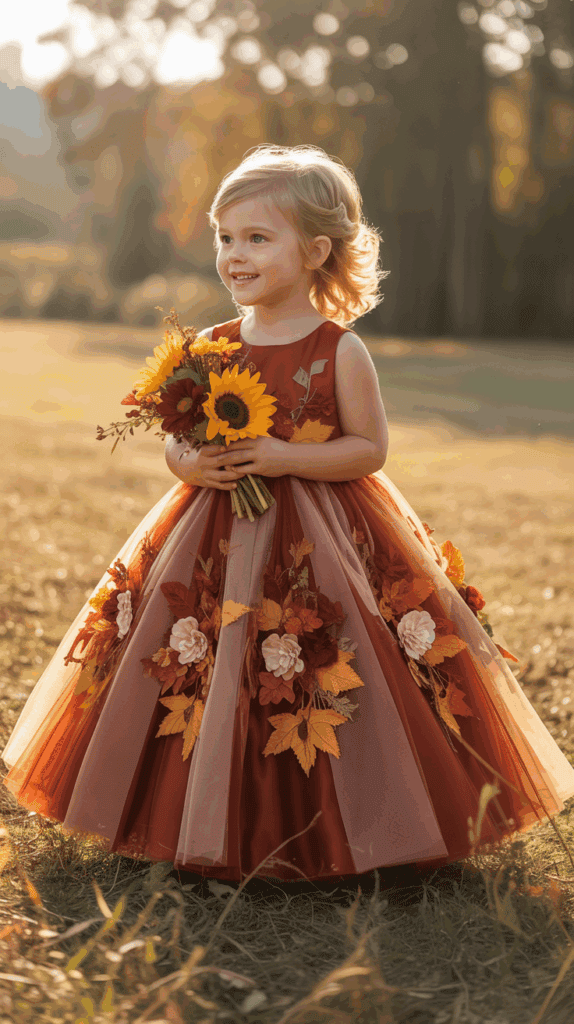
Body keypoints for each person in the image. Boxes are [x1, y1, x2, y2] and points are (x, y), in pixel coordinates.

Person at [3, 145, 574, 887]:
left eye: (256, 239)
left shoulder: (340, 350)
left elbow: (368, 450)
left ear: (316, 252)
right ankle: (188, 813)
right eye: (225, 239)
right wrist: (192, 465)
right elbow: (178, 437)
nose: (234, 256)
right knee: (200, 655)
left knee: (319, 663)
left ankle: (350, 823)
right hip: (209, 533)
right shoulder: (208, 347)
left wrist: (282, 456)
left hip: (322, 537)